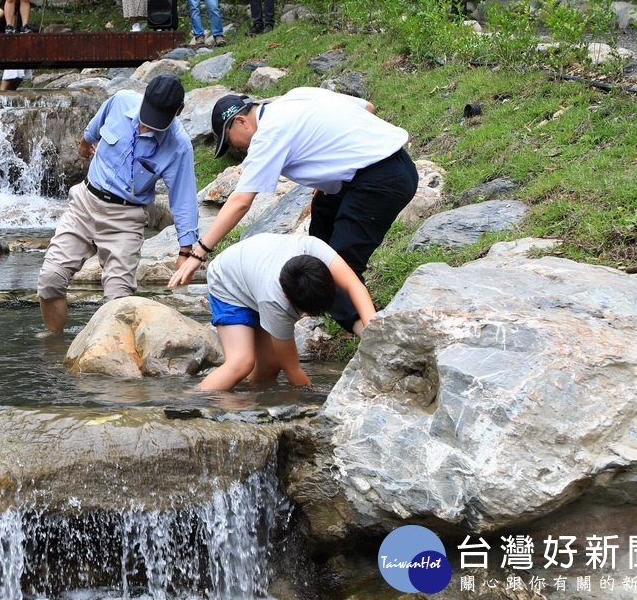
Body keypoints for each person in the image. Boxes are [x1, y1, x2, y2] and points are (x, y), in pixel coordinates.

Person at [168, 87, 419, 337]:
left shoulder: (267, 135)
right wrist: (334, 172)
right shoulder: (295, 97)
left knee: (335, 270)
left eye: (232, 143)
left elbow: (241, 201)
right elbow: (367, 107)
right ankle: (312, 300)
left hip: (381, 183)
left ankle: (369, 335)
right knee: (319, 228)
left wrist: (198, 254)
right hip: (397, 165)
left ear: (241, 121)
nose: (238, 150)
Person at [37, 75, 199, 333]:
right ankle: (53, 346)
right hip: (84, 204)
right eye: (148, 117)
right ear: (144, 97)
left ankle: (109, 363)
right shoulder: (121, 101)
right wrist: (84, 144)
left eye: (157, 123)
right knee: (50, 281)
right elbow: (91, 131)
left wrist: (185, 252)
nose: (147, 128)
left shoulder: (178, 146)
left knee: (118, 302)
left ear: (178, 112)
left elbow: (184, 200)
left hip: (125, 219)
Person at [198, 233, 377, 391]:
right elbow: (292, 369)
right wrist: (312, 400)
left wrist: (375, 335)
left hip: (253, 267)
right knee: (241, 363)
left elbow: (355, 286)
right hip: (228, 282)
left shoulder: (314, 248)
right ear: (286, 295)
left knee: (270, 366)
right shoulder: (275, 301)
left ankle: (252, 403)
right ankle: (190, 401)